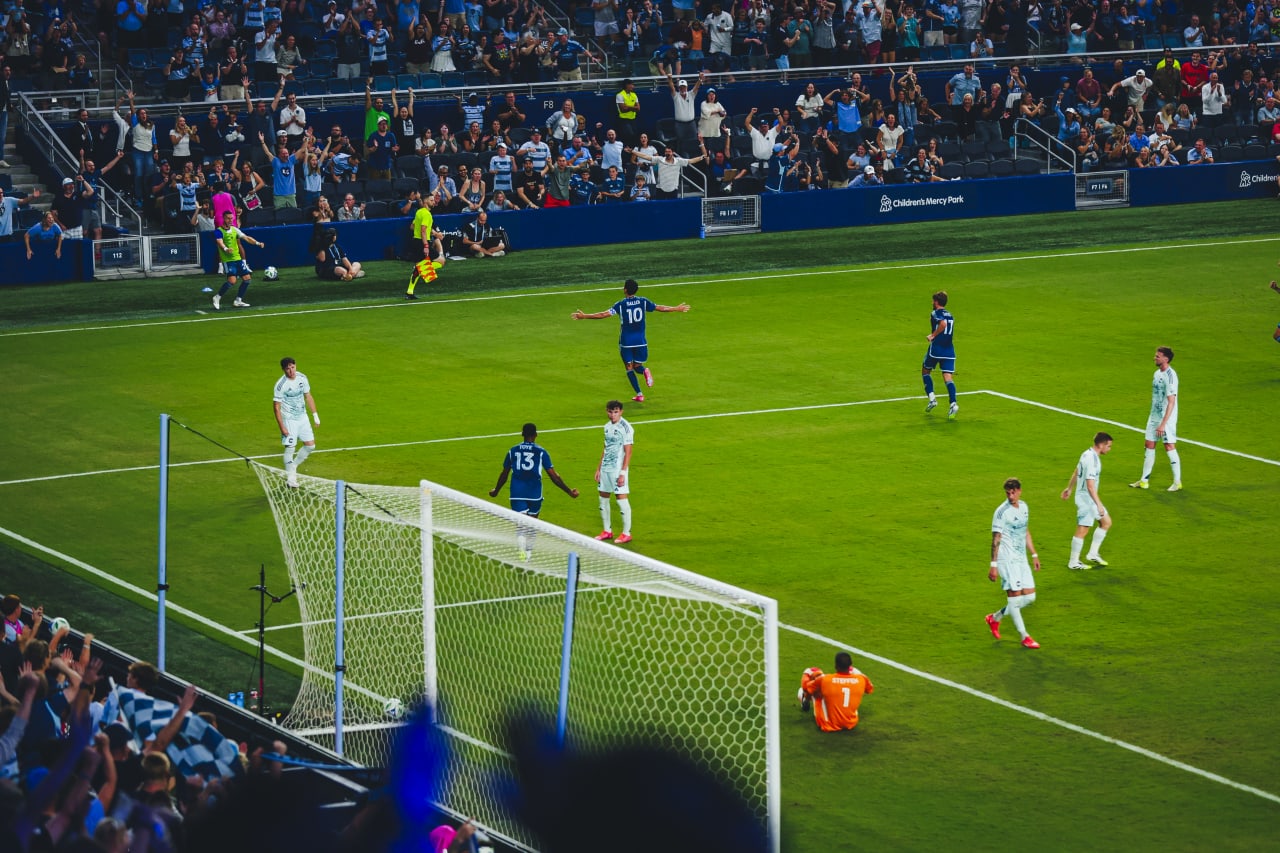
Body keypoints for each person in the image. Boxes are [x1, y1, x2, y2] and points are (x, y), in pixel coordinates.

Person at [572, 278, 691, 402]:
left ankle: (640, 394)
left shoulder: (621, 304)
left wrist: (584, 316)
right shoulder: (643, 301)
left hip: (626, 342)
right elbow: (660, 307)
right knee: (637, 365)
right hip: (641, 341)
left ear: (625, 290)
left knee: (629, 367)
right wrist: (676, 308)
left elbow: (603, 315)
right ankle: (645, 371)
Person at [489, 422, 580, 559]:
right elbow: (554, 476)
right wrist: (569, 492)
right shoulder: (541, 452)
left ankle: (521, 549)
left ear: (522, 435)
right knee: (532, 524)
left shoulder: (512, 450)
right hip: (534, 493)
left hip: (517, 492)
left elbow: (504, 474)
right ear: (536, 435)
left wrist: (496, 490)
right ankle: (529, 554)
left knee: (521, 523)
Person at [984, 478, 1043, 649]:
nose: (1010, 496)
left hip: (1021, 557)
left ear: (1019, 491)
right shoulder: (1001, 512)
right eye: (1007, 493)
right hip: (1006, 559)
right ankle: (1025, 636)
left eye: (1013, 492)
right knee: (1015, 598)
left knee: (1030, 597)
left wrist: (1034, 554)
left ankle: (994, 618)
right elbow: (996, 539)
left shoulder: (1024, 507)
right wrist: (993, 565)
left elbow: (1025, 531)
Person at [1129, 347, 1180, 491]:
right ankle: (1144, 481)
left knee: (1168, 446)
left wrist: (1163, 424)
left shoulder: (1171, 376)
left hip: (1167, 418)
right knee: (1149, 444)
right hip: (1154, 415)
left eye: (1158, 356)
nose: (1154, 358)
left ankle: (1177, 482)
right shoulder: (1157, 374)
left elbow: (1171, 402)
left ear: (1166, 359)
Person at [1061, 431, 1113, 569]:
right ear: (1101, 445)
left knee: (1106, 522)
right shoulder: (1093, 460)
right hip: (1086, 499)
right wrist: (1099, 504)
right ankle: (1073, 562)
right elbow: (1090, 486)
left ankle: (1093, 553)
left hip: (1086, 497)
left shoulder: (1086, 453)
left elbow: (1077, 470)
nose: (1109, 449)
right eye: (1108, 446)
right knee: (1083, 529)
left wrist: (1069, 488)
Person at [797, 652, 874, 731]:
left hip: (827, 723)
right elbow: (869, 689)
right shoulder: (861, 679)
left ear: (836, 666)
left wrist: (808, 695)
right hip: (851, 723)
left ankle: (805, 702)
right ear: (850, 664)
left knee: (811, 671)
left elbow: (807, 687)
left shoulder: (825, 679)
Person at [592, 400, 634, 543]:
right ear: (606, 411)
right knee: (603, 498)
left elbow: (628, 452)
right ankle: (607, 531)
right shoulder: (606, 427)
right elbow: (606, 448)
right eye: (610, 412)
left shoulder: (626, 428)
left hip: (617, 470)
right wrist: (598, 468)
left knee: (621, 499)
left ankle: (626, 533)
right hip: (606, 468)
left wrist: (623, 473)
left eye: (616, 412)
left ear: (621, 412)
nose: (613, 415)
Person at [273, 356, 319, 489]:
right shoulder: (281, 385)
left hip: (303, 417)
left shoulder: (302, 378)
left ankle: (293, 465)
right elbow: (276, 407)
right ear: (283, 370)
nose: (291, 371)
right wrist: (282, 427)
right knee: (290, 447)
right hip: (289, 420)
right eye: (288, 368)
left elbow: (308, 395)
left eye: (292, 367)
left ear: (295, 366)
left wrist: (315, 415)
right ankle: (290, 478)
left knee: (310, 446)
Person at [212, 210, 264, 310]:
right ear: (224, 218)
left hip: (238, 259)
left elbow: (247, 238)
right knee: (232, 281)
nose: (230, 220)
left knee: (247, 279)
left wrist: (257, 243)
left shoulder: (235, 230)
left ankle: (238, 300)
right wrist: (226, 249)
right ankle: (217, 297)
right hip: (228, 261)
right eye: (228, 218)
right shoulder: (218, 231)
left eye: (232, 218)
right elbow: (220, 242)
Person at [922, 290, 958, 418]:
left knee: (925, 371)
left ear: (936, 302)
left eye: (933, 301)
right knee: (948, 376)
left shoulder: (935, 313)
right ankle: (953, 404)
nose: (932, 303)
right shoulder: (950, 315)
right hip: (949, 350)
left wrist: (933, 335)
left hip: (937, 349)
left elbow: (943, 324)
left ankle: (932, 399)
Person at [408, 192, 445, 300]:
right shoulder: (427, 214)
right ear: (425, 202)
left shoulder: (419, 212)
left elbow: (412, 226)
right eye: (431, 200)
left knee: (419, 268)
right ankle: (419, 269)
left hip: (416, 241)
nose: (434, 202)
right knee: (441, 261)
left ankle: (409, 292)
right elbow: (423, 230)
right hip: (422, 243)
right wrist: (426, 246)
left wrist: (434, 233)